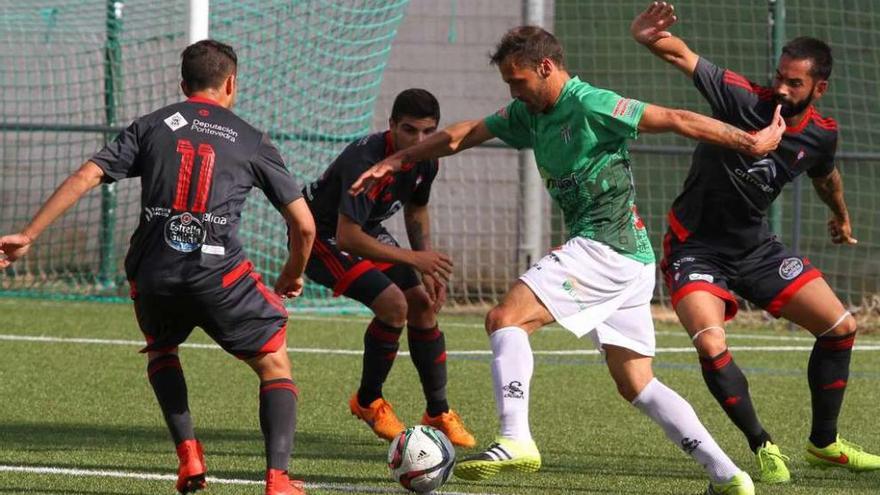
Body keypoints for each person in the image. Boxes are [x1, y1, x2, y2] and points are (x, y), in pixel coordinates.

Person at [350, 25, 787, 495]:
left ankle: (516, 439)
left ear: (546, 67)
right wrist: (401, 159)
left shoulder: (591, 103)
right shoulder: (528, 112)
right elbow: (462, 135)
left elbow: (676, 117)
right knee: (637, 384)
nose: (513, 91)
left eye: (517, 81)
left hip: (607, 246)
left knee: (504, 319)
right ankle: (728, 476)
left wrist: (750, 142)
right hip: (629, 261)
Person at [0, 40, 315, 495]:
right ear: (231, 84)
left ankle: (188, 454)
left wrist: (28, 235)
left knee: (163, 350)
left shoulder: (151, 126)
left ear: (183, 85)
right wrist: (292, 273)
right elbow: (303, 226)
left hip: (154, 274)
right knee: (274, 366)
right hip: (219, 279)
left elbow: (87, 175)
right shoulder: (251, 139)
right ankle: (278, 480)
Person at [630, 1, 880, 483]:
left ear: (819, 88)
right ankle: (762, 445)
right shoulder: (744, 100)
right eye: (780, 77)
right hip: (694, 249)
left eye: (795, 83)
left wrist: (841, 218)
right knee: (711, 341)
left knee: (840, 328)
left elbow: (826, 177)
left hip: (757, 250)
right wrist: (646, 36)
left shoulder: (822, 134)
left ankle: (824, 444)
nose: (782, 88)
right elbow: (683, 56)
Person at [302, 89, 475, 448]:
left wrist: (426, 266)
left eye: (429, 132)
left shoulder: (427, 159)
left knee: (422, 306)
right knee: (394, 305)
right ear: (392, 125)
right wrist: (415, 260)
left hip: (363, 231)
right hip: (322, 236)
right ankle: (368, 402)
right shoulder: (365, 159)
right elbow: (347, 238)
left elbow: (416, 209)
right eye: (409, 130)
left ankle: (438, 413)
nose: (419, 140)